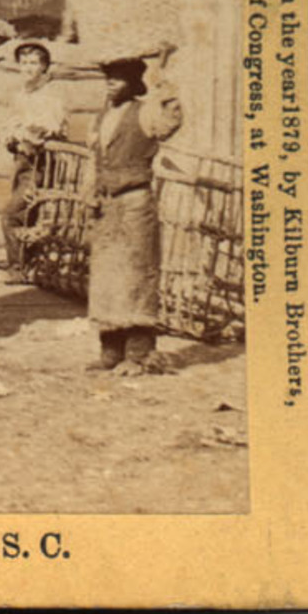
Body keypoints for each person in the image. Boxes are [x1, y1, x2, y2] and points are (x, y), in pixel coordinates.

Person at [87, 55, 183, 375]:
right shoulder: (103, 114)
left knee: (137, 277)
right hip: (107, 204)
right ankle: (110, 351)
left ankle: (139, 354)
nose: (111, 83)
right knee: (106, 277)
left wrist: (162, 85)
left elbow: (170, 123)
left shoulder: (146, 111)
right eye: (108, 77)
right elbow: (96, 158)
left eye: (118, 78)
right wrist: (91, 195)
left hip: (134, 203)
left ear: (133, 83)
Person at [0, 41, 67, 283]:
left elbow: (52, 129)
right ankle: (31, 266)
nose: (28, 68)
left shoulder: (50, 98)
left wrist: (28, 134)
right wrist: (14, 137)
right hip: (21, 161)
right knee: (27, 213)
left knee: (12, 213)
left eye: (34, 63)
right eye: (24, 63)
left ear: (44, 67)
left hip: (40, 164)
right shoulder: (19, 96)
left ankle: (18, 267)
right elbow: (7, 127)